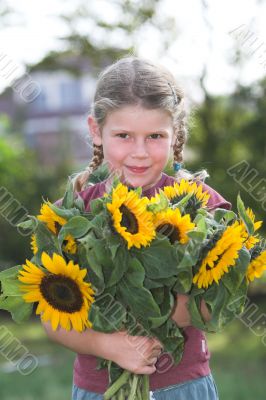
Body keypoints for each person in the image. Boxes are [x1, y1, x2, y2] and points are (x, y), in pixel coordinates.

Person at [42, 56, 231, 399]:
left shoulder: (199, 205)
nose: (140, 153)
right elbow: (51, 317)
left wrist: (142, 310)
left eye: (155, 135)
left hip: (182, 386)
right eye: (124, 135)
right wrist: (107, 344)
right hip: (98, 389)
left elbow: (214, 301)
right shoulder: (71, 212)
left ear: (176, 135)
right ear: (96, 131)